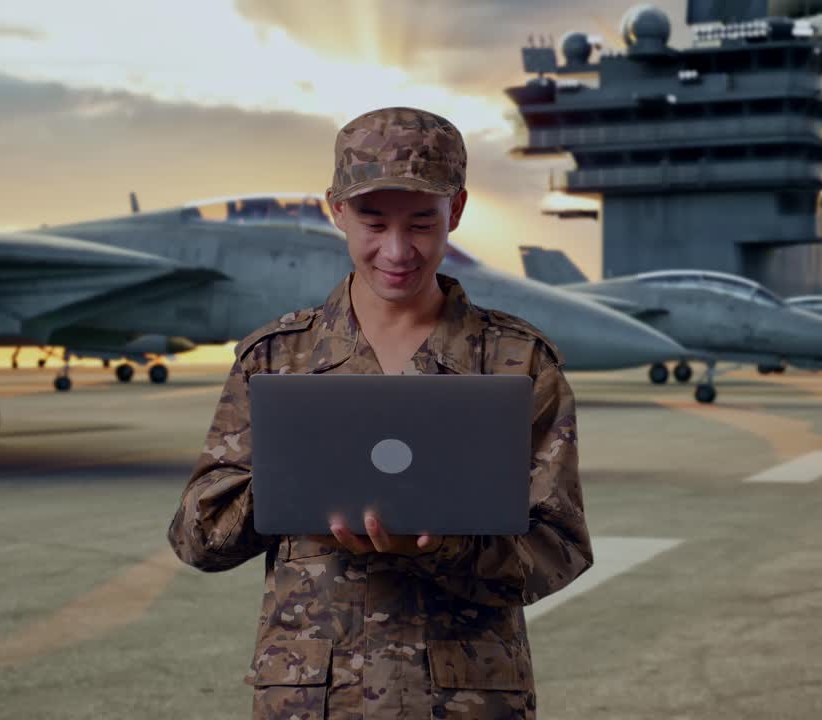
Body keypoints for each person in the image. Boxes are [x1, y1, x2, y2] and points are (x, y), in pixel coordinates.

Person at [167, 106, 593, 720]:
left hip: (467, 699)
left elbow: (560, 548)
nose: (398, 250)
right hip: (313, 697)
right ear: (336, 209)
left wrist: (448, 545)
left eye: (423, 222)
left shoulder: (517, 363)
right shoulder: (278, 359)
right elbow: (196, 537)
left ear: (458, 210)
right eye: (373, 221)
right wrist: (293, 491)